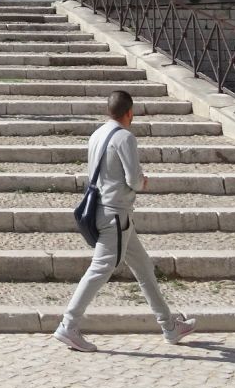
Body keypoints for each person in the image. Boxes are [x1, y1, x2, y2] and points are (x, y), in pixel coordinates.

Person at [53, 90, 197, 352]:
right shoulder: (125, 138)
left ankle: (169, 326)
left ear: (110, 111)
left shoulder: (96, 134)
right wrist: (143, 181)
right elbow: (133, 179)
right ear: (130, 112)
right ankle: (69, 324)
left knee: (144, 269)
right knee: (100, 270)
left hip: (105, 211)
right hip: (115, 215)